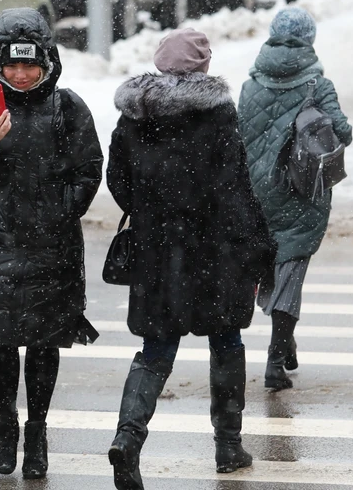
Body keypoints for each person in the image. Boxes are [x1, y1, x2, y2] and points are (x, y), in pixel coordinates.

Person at [105, 28, 276, 489]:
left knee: (155, 351)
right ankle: (227, 445)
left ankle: (128, 440)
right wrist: (259, 250)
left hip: (156, 255)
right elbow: (236, 189)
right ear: (203, 66)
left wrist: (151, 212)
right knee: (226, 343)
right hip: (214, 253)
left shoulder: (134, 116)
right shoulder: (218, 116)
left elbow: (118, 182)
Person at [0, 8, 103, 479]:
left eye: (30, 65)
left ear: (47, 64)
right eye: (12, 65)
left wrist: (62, 208)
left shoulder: (69, 107)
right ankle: (5, 423)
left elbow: (88, 169)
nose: (21, 75)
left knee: (43, 339)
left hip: (51, 242)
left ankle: (36, 430)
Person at [237, 7, 353, 391]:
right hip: (300, 189)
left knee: (269, 263)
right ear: (310, 41)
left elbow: (239, 136)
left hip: (257, 189)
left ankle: (285, 345)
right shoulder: (318, 85)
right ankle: (275, 360)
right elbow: (342, 132)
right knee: (291, 269)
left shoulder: (250, 85)